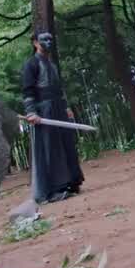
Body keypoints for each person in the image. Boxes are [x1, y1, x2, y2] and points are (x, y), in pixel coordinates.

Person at [21, 31, 84, 203]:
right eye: (44, 39)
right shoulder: (31, 64)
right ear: (35, 43)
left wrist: (66, 107)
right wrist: (31, 112)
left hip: (58, 109)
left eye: (50, 39)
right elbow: (27, 91)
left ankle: (70, 183)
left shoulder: (52, 65)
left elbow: (58, 88)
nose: (48, 42)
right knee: (50, 148)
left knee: (66, 144)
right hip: (44, 111)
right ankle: (53, 190)